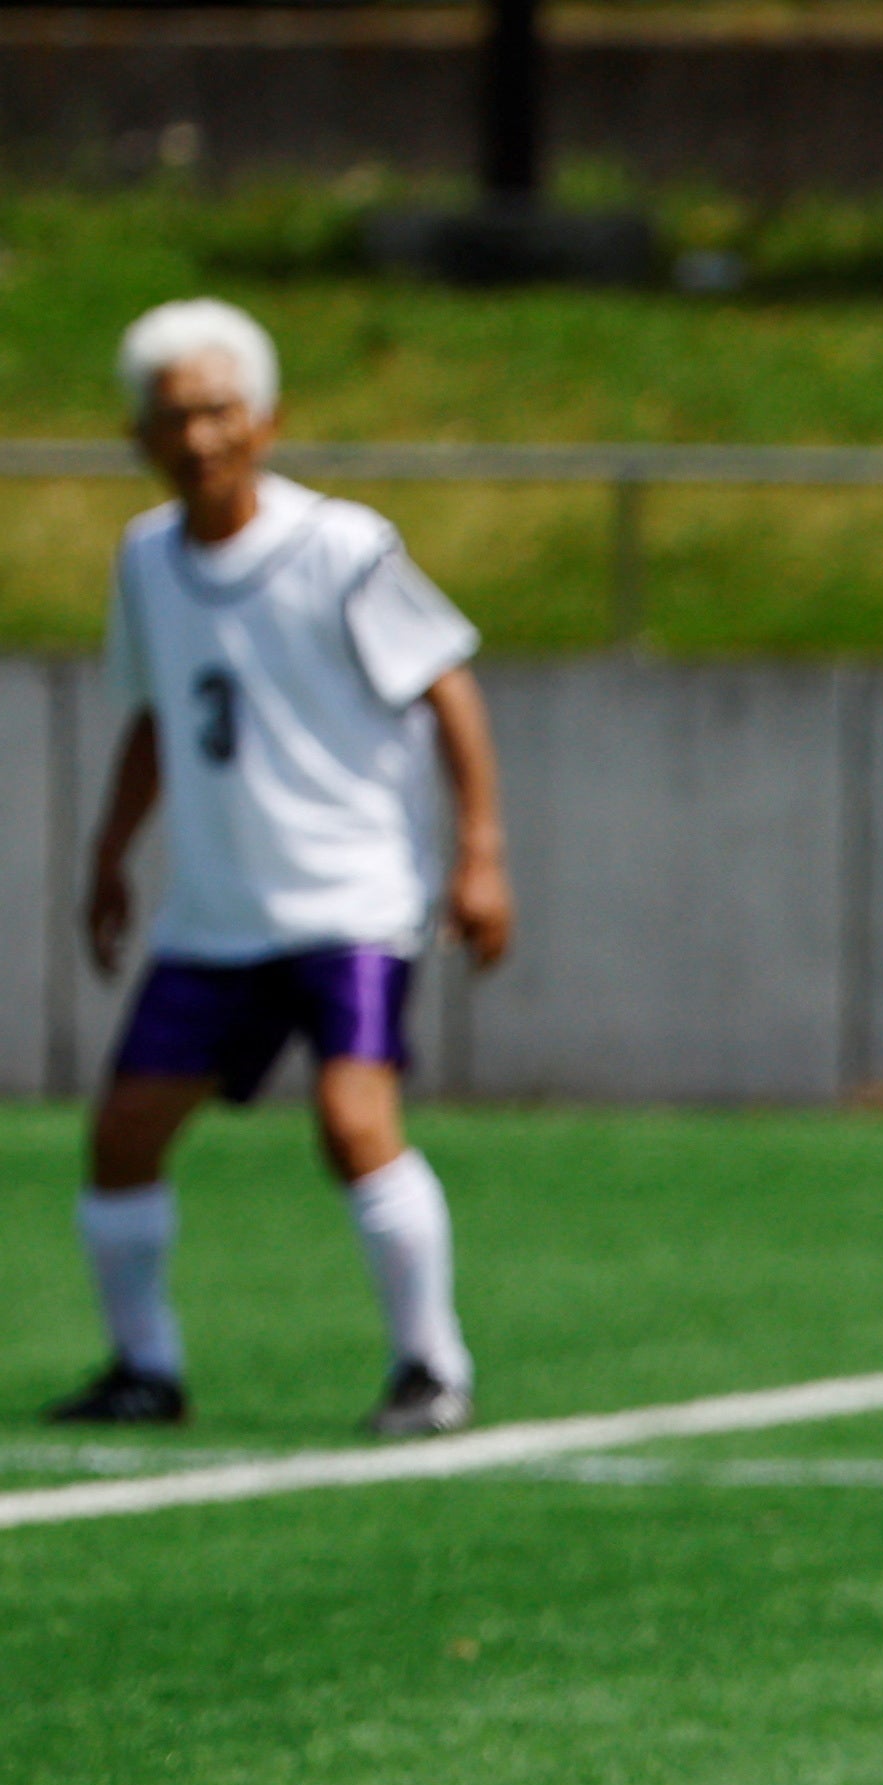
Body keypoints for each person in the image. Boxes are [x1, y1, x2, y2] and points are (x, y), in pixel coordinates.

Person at [59, 299, 511, 1438]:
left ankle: (430, 1367)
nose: (198, 437)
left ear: (265, 423)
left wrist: (481, 856)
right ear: (140, 438)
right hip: (215, 914)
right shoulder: (148, 558)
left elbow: (446, 681)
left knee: (354, 1122)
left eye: (218, 412)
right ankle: (145, 1369)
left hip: (350, 901)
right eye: (173, 417)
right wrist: (112, 855)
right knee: (122, 1133)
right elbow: (159, 714)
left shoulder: (340, 545)